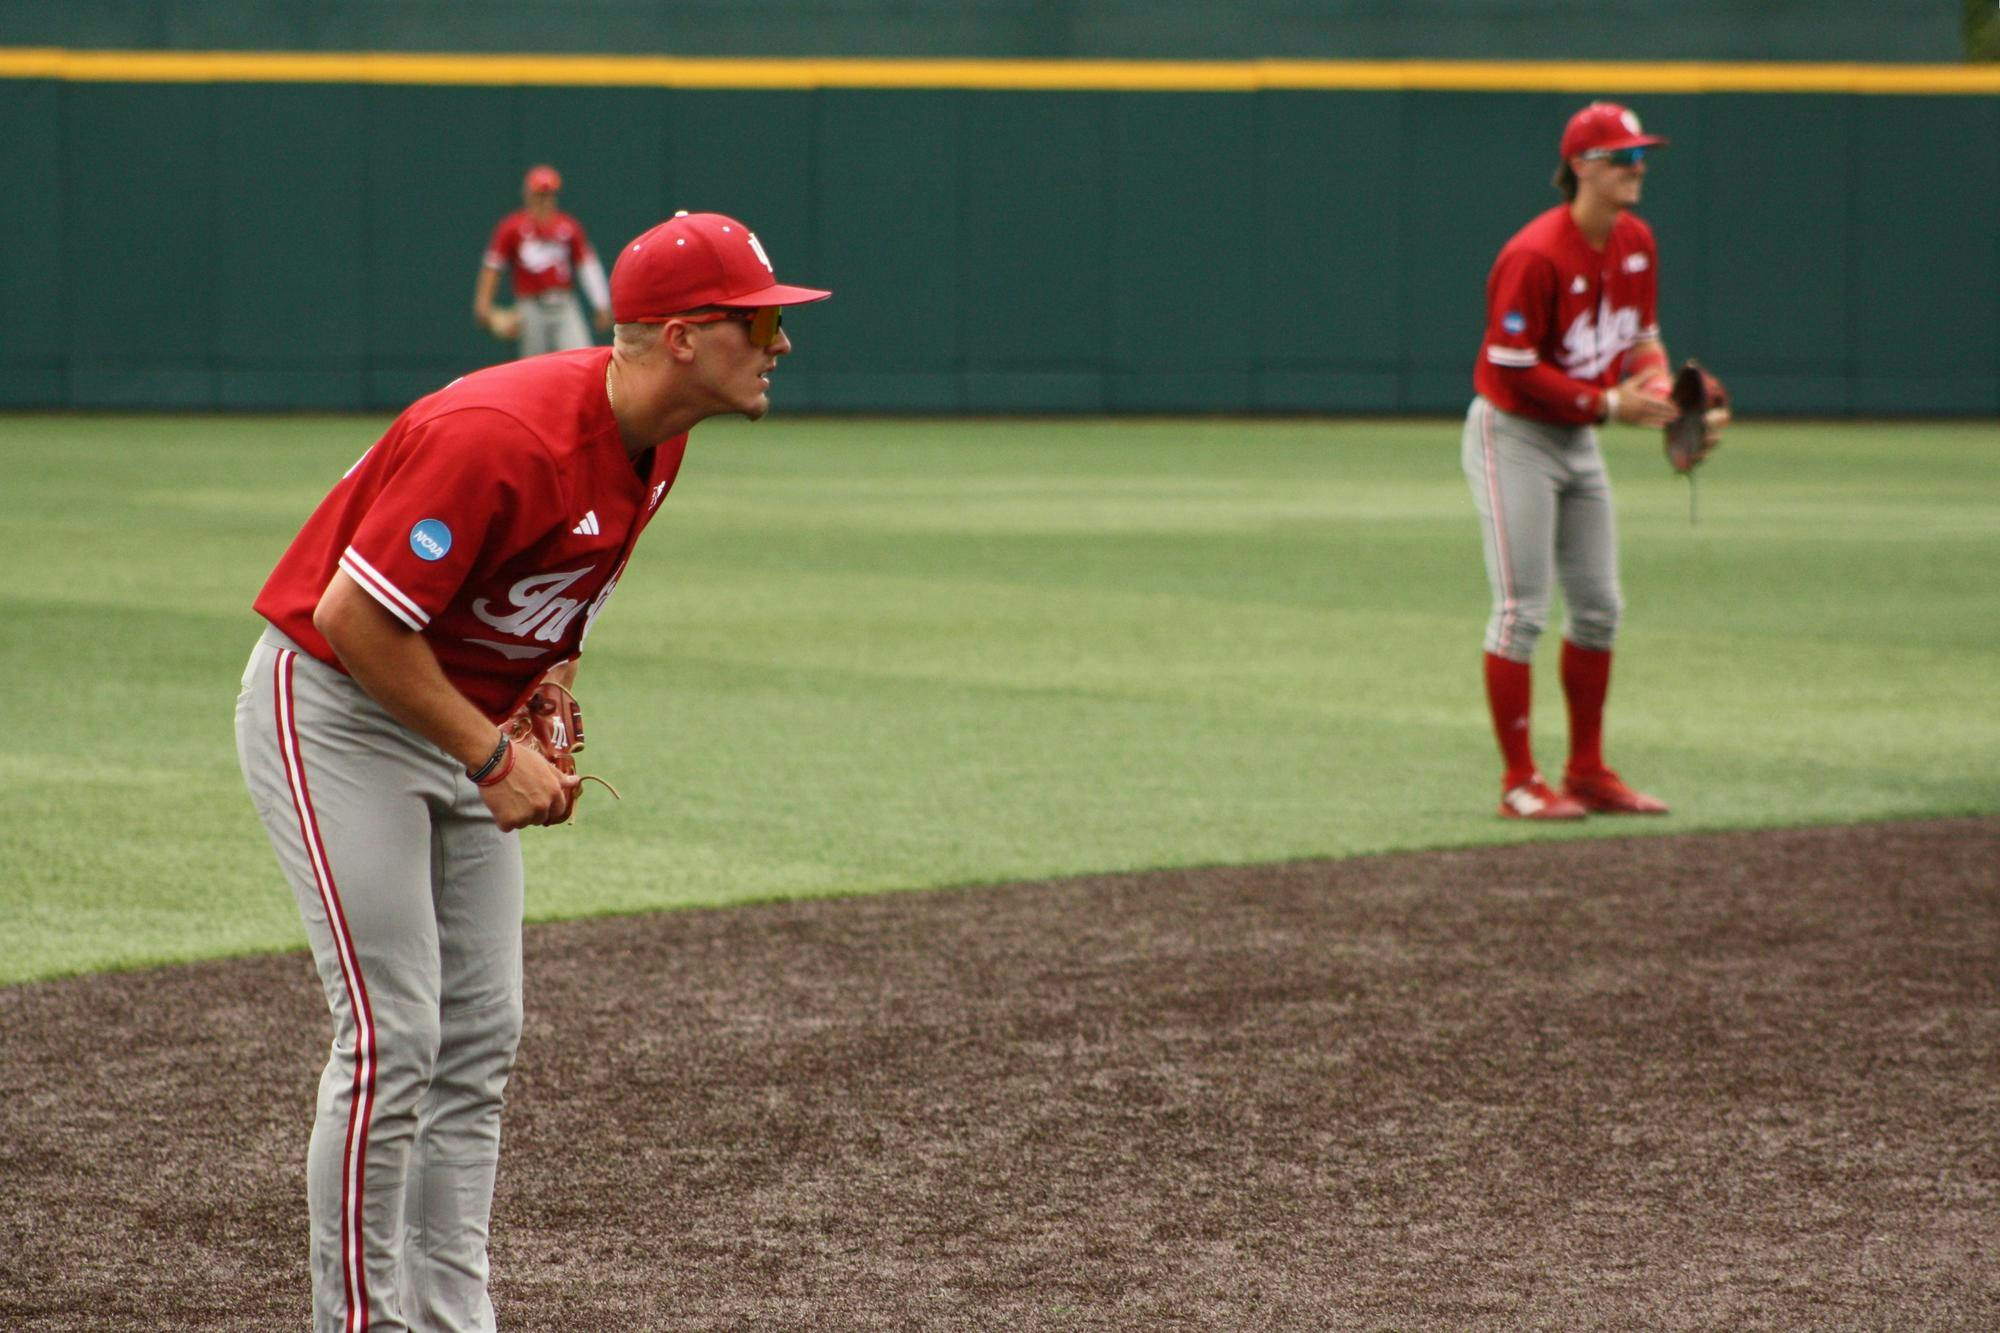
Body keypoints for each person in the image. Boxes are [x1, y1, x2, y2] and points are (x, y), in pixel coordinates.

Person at [235, 211, 829, 1332]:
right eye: (760, 324)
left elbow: (550, 589)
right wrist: (491, 753)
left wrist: (541, 683)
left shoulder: (662, 436)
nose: (780, 346)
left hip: (456, 710)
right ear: (685, 336)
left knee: (479, 1037)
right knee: (394, 1035)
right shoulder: (503, 433)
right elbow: (353, 618)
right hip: (335, 707)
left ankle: (451, 1320)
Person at [1461, 102, 1727, 821]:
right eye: (1624, 158)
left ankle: (1586, 771)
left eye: (1642, 157)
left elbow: (1641, 338)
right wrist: (1613, 406)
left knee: (1601, 609)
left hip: (1576, 436)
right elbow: (1513, 368)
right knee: (1520, 611)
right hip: (1512, 433)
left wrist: (1663, 390)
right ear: (1582, 167)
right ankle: (1520, 783)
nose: (1639, 170)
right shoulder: (1534, 254)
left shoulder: (1635, 240)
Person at [472, 164, 614, 355]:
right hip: (531, 306)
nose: (545, 201)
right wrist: (483, 304)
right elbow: (493, 267)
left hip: (564, 303)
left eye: (549, 195)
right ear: (528, 195)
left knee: (581, 356)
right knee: (533, 369)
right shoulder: (513, 227)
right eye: (540, 194)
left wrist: (602, 304)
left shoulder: (568, 226)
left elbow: (587, 266)